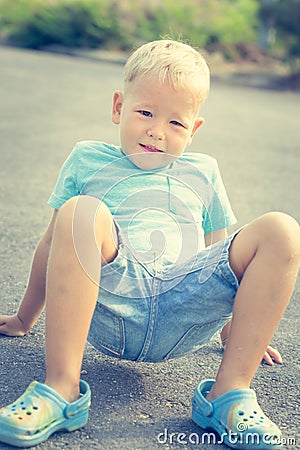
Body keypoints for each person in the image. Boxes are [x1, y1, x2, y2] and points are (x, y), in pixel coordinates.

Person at [0, 39, 299, 449]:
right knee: (79, 211)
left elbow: (221, 258)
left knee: (282, 229)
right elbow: (53, 244)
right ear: (118, 107)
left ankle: (229, 392)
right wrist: (24, 318)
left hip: (184, 303)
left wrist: (237, 334)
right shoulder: (87, 159)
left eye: (176, 123)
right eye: (145, 112)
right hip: (112, 301)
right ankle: (61, 387)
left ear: (194, 130)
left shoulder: (204, 171)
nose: (157, 131)